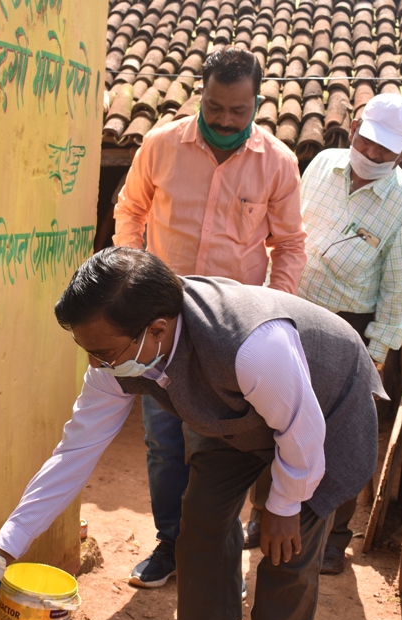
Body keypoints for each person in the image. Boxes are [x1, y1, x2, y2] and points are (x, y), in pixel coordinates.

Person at [0, 248, 382, 620]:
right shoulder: (120, 356)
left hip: (323, 408)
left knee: (290, 545)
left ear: (156, 329)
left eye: (104, 352)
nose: (96, 364)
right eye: (87, 350)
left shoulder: (253, 347)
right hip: (232, 419)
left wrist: (283, 506)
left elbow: (301, 434)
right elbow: (73, 454)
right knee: (202, 522)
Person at [113, 46, 306, 589]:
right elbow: (130, 210)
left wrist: (274, 311)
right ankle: (170, 543)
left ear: (257, 103)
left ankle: (215, 552)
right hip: (161, 325)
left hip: (230, 334)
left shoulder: (279, 162)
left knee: (218, 448)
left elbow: (289, 246)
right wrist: (132, 278)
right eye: (215, 107)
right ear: (201, 94)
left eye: (237, 111)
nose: (224, 120)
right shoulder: (161, 145)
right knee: (164, 440)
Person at [244, 92, 402, 576]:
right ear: (352, 134)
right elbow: (288, 234)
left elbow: (398, 287)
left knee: (339, 434)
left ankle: (330, 538)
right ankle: (263, 513)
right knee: (273, 418)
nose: (372, 156)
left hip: (351, 330)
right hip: (291, 311)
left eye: (385, 151)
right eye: (366, 144)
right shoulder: (322, 164)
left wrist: (378, 353)